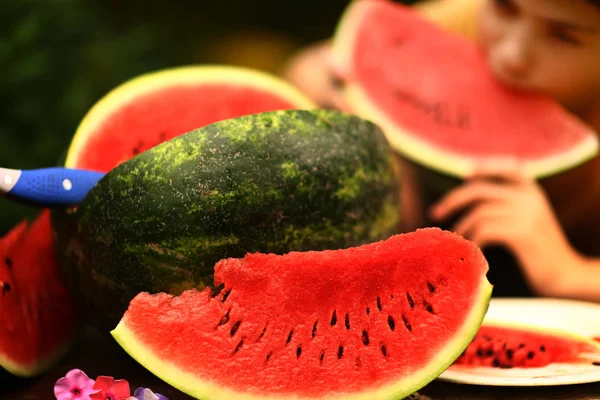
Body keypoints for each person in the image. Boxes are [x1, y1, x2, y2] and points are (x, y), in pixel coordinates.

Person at [280, 0, 600, 303]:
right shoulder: (465, 21)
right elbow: (310, 66)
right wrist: (332, 95)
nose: (511, 54)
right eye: (504, 7)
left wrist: (568, 272)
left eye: (564, 36)